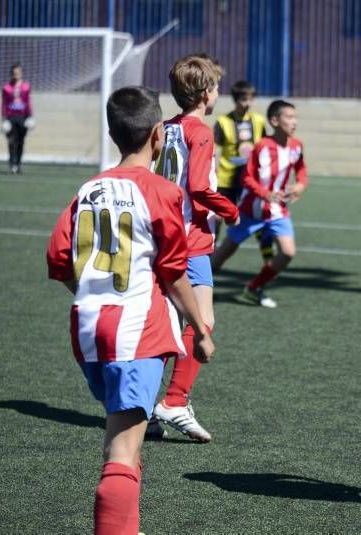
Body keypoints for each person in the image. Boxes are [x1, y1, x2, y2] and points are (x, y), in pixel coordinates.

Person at [46, 86, 214, 534]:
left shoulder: (89, 188)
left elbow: (60, 260)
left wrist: (94, 297)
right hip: (137, 333)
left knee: (124, 436)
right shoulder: (161, 191)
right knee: (121, 451)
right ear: (158, 134)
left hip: (87, 330)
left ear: (112, 132)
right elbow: (175, 273)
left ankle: (127, 526)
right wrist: (201, 326)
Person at [151, 54, 239, 442]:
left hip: (164, 235)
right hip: (192, 239)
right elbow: (201, 187)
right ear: (206, 93)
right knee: (202, 322)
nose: (218, 91)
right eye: (216, 86)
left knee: (167, 324)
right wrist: (230, 209)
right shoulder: (199, 131)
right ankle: (174, 400)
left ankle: (143, 408)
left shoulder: (165, 128)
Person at [211, 99, 307, 308]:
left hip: (277, 211)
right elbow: (246, 177)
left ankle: (253, 288)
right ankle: (197, 288)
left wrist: (300, 186)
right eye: (289, 117)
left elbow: (301, 170)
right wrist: (264, 193)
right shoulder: (262, 146)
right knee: (221, 256)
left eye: (295, 117)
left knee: (288, 252)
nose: (294, 122)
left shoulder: (296, 146)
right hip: (250, 211)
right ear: (274, 120)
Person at [213, 80, 269, 252]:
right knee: (217, 217)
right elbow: (213, 148)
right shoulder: (223, 121)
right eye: (244, 99)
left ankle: (268, 257)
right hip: (226, 178)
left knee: (258, 215)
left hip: (250, 179)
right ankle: (210, 251)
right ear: (235, 100)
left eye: (251, 99)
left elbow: (264, 146)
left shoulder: (258, 120)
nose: (248, 103)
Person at [0, 63, 34, 174]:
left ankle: (18, 164)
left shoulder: (26, 87)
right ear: (11, 74)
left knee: (20, 142)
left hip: (22, 117)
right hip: (11, 117)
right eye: (14, 73)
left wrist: (30, 116)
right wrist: (4, 119)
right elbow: (4, 104)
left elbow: (28, 102)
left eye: (18, 73)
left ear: (21, 73)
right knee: (11, 141)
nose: (16, 75)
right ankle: (11, 164)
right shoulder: (6, 87)